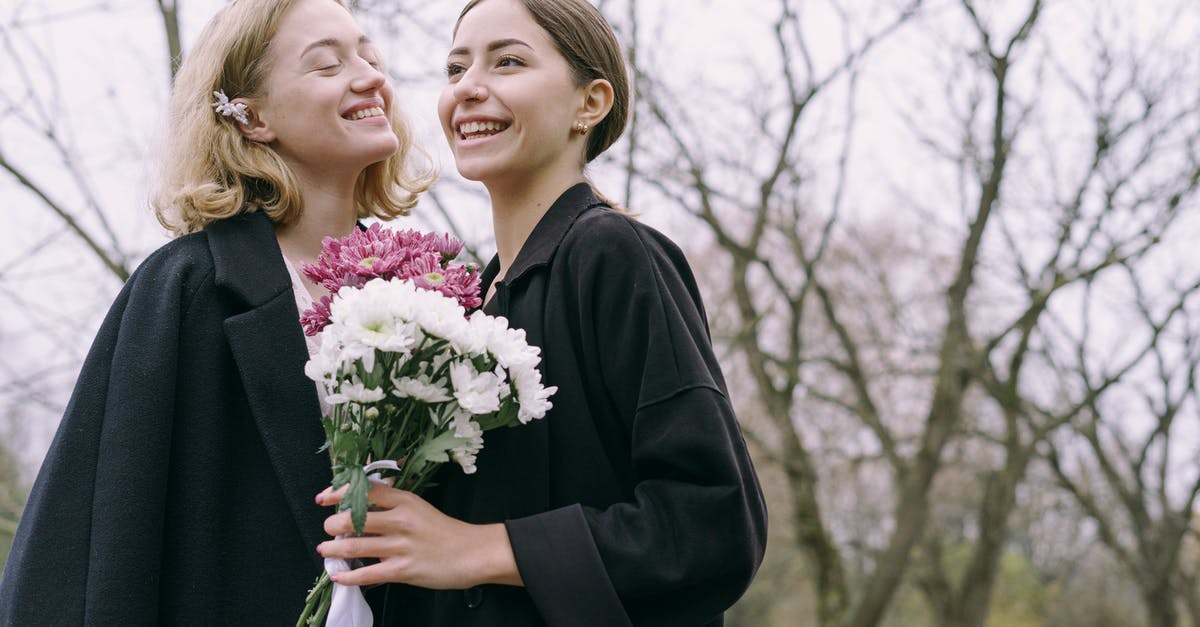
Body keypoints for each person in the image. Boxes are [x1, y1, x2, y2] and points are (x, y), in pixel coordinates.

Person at [314, 0, 768, 624]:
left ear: (591, 103)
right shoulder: (462, 304)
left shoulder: (613, 255)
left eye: (508, 62)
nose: (469, 88)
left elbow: (713, 522)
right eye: (454, 68)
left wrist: (483, 549)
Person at [0, 0, 430, 624]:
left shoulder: (432, 296)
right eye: (327, 64)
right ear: (252, 117)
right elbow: (99, 540)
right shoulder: (186, 288)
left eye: (368, 54)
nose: (369, 76)